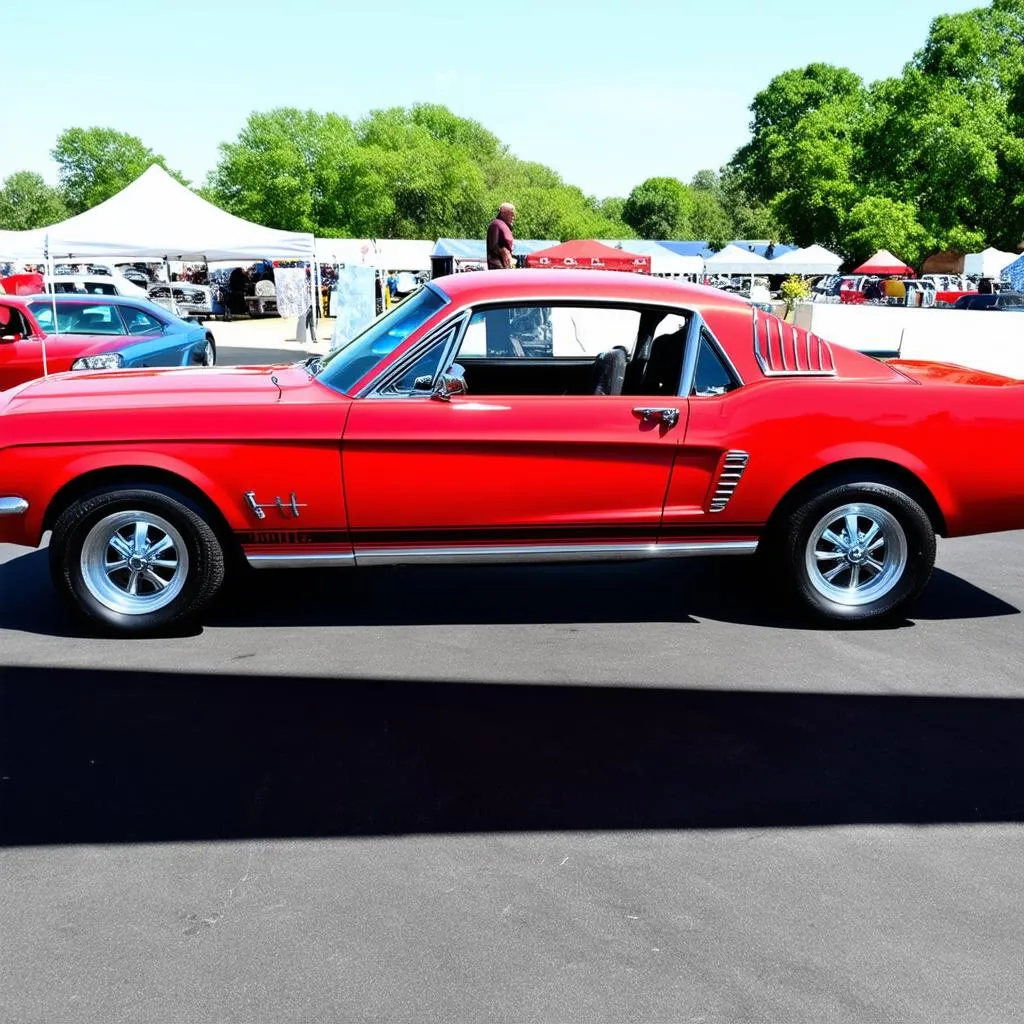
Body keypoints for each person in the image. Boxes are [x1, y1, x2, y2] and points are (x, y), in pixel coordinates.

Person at [486, 203, 516, 270]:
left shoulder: (506, 226)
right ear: (503, 213)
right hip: (497, 267)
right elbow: (493, 246)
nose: (513, 216)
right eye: (511, 213)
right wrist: (502, 250)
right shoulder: (495, 224)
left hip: (506, 266)